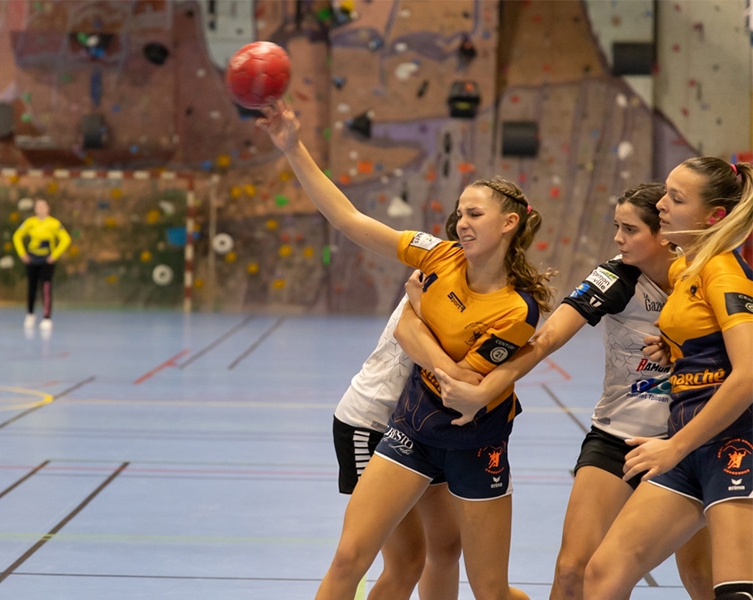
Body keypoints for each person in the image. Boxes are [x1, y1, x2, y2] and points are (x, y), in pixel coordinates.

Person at [257, 100, 554, 600]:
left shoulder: (514, 309)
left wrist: (417, 320)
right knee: (360, 556)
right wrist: (293, 148)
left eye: (474, 213)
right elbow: (350, 220)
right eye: (459, 212)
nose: (460, 221)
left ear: (508, 224)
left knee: (470, 574)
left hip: (471, 440)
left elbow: (462, 389)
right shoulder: (438, 255)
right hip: (399, 423)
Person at [423, 182, 713, 599]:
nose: (617, 238)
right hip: (618, 437)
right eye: (617, 226)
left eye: (630, 229)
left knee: (702, 576)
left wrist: (682, 349)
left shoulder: (708, 277)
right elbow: (545, 340)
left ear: (662, 233)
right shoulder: (616, 277)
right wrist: (483, 390)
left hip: (688, 441)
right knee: (572, 569)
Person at [581, 158, 753, 600]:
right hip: (689, 449)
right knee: (603, 574)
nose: (661, 204)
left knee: (732, 590)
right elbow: (703, 333)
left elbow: (748, 374)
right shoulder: (686, 269)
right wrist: (676, 346)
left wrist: (674, 446)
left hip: (733, 446)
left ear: (713, 218)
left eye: (676, 199)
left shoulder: (723, 272)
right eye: (665, 194)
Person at [332, 210, 470, 599]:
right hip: (372, 423)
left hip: (427, 427)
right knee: (395, 558)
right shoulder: (437, 272)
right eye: (465, 217)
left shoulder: (497, 292)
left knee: (445, 546)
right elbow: (438, 354)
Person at [12, 198, 71, 331]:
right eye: (38, 206)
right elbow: (17, 236)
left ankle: (46, 317)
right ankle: (30, 313)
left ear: (48, 208)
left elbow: (65, 239)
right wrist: (22, 254)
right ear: (35, 209)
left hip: (46, 260)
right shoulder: (30, 222)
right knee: (31, 286)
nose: (41, 209)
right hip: (32, 259)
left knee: (45, 286)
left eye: (43, 206)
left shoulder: (54, 223)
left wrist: (54, 255)